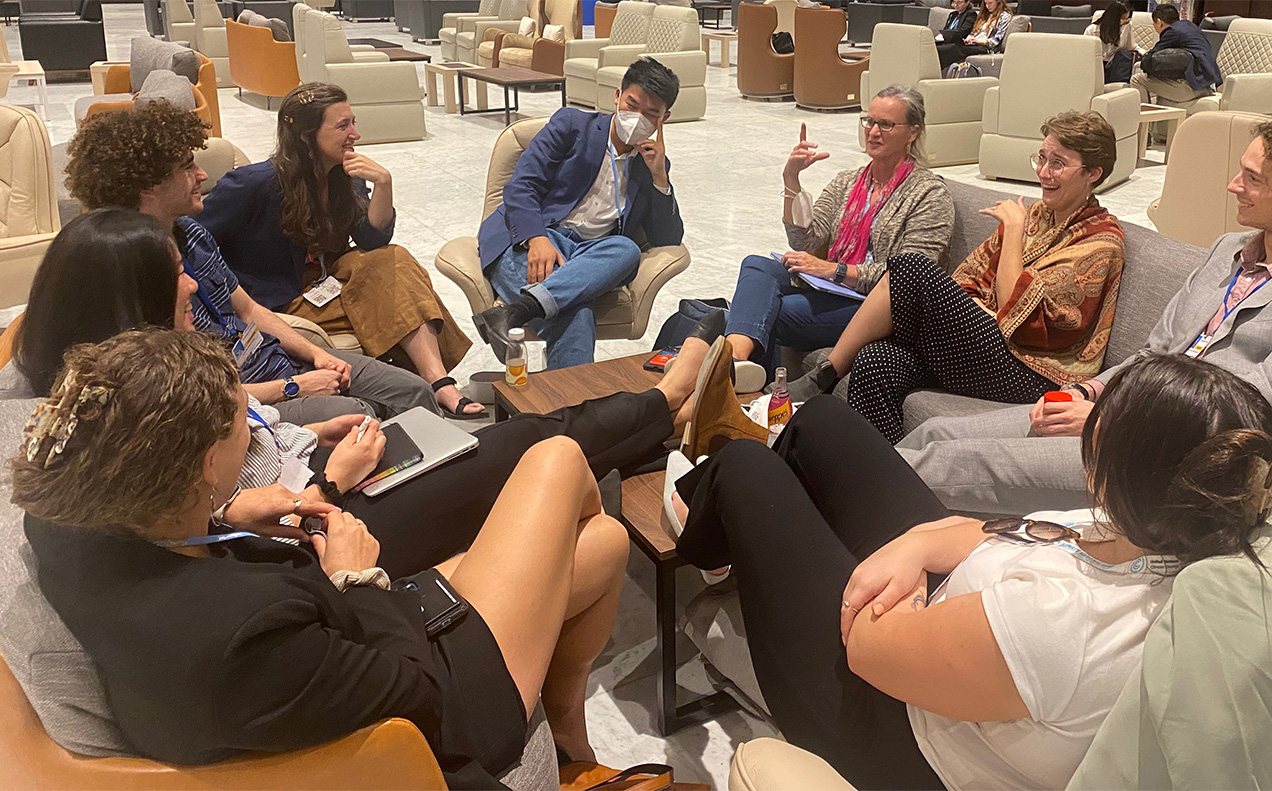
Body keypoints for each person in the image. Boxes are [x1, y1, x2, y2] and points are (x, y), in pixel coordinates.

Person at [14, 329, 628, 786]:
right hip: (439, 708)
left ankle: (569, 732)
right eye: (241, 426)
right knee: (557, 459)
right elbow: (417, 701)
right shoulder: (245, 636)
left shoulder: (65, 522)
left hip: (348, 652)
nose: (253, 431)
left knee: (604, 544)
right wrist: (358, 578)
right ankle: (563, 731)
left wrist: (222, 514)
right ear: (205, 463)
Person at [7, 208, 731, 581]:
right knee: (529, 441)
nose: (193, 283)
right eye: (174, 276)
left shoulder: (124, 385)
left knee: (493, 440)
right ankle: (666, 401)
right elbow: (206, 531)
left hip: (316, 477)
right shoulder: (132, 410)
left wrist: (304, 439)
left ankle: (659, 417)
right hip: (328, 522)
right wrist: (326, 481)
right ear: (127, 297)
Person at [668, 353, 1272, 790]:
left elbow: (869, 648)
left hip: (891, 732)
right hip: (961, 615)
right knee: (823, 422)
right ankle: (726, 506)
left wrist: (903, 573)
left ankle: (707, 515)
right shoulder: (1161, 529)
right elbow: (1009, 531)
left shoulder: (1069, 621)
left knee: (749, 469)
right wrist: (918, 543)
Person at [898, 115, 1272, 515]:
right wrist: (1088, 391)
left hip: (1181, 451)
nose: (1232, 184)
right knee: (933, 433)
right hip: (1124, 409)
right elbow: (1156, 351)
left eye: (1253, 178)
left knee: (945, 464)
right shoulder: (1228, 252)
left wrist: (1113, 417)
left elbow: (1262, 398)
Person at [62, 102, 438, 425]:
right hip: (241, 401)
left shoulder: (191, 234)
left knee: (412, 390)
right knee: (360, 416)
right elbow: (183, 393)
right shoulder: (130, 270)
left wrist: (316, 354)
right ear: (148, 186)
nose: (203, 175)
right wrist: (290, 388)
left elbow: (248, 308)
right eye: (188, 167)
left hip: (276, 359)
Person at [796, 111, 1125, 445]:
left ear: (1093, 173)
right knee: (875, 361)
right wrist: (989, 307)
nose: (1043, 172)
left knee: (910, 269)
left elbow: (1026, 320)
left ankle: (827, 372)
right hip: (986, 346)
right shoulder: (1037, 216)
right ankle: (885, 477)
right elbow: (967, 278)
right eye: (1041, 158)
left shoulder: (1100, 241)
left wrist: (1012, 232)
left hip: (1033, 372)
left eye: (1058, 163)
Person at [195, 83, 482, 419]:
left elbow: (372, 240)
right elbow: (194, 239)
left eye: (353, 122)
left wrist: (384, 185)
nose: (355, 134)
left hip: (329, 280)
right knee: (397, 302)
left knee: (394, 259)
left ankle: (437, 381)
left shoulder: (343, 174)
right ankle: (421, 387)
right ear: (305, 135)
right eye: (343, 125)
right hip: (282, 297)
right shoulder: (253, 183)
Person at [723, 86, 953, 381]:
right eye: (869, 121)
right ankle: (736, 365)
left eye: (885, 124)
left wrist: (835, 270)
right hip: (833, 289)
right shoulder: (849, 181)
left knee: (770, 311)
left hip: (877, 308)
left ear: (912, 133)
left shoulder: (929, 194)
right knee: (756, 265)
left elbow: (910, 277)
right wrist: (791, 179)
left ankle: (732, 375)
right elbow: (806, 240)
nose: (873, 132)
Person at [474, 57, 685, 369]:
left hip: (590, 255)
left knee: (626, 249)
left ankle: (517, 311)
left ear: (663, 118)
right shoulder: (572, 125)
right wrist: (537, 239)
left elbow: (667, 238)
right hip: (532, 240)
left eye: (651, 114)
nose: (637, 117)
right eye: (631, 104)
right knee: (575, 312)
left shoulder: (652, 163)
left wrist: (659, 178)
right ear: (617, 96)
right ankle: (571, 411)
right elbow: (521, 186)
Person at [1130, 3, 1221, 106]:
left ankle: (1143, 120)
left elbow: (1148, 61)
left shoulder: (1171, 32)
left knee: (1137, 79)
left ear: (1159, 22)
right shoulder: (1190, 26)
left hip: (1192, 87)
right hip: (1207, 86)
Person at [1086, 2, 1141, 84]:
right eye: (1122, 20)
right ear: (1112, 18)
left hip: (1116, 68)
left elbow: (1132, 47)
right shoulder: (1092, 30)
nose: (1124, 23)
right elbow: (1084, 54)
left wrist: (1145, 53)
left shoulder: (1127, 26)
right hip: (1096, 67)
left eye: (1127, 19)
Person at [945, 0, 1013, 65]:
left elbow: (996, 41)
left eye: (990, 3)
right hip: (975, 43)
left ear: (998, 2)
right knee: (950, 47)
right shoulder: (986, 15)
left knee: (956, 49)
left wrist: (979, 41)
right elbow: (974, 31)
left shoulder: (1005, 16)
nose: (987, 6)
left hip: (986, 47)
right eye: (986, 3)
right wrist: (969, 38)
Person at [935, 0, 980, 70]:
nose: (956, 5)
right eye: (954, 2)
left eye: (959, 2)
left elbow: (964, 32)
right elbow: (945, 30)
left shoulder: (971, 14)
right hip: (946, 40)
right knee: (931, 46)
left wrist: (949, 34)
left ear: (967, 2)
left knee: (941, 50)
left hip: (957, 42)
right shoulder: (952, 15)